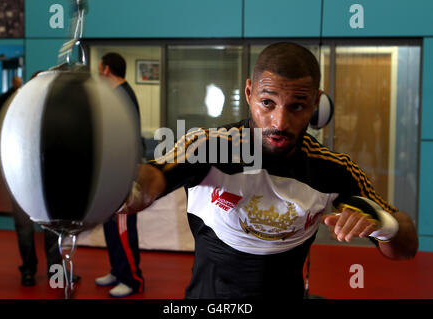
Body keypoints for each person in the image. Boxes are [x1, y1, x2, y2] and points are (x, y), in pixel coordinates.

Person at [121, 42, 418, 299]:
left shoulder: (333, 170)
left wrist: (383, 224)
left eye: (297, 106)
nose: (279, 122)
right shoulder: (209, 147)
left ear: (315, 103)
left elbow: (406, 247)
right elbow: (150, 182)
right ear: (249, 93)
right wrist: (118, 185)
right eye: (267, 103)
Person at [10, 71, 80, 287]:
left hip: (47, 181)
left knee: (52, 229)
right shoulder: (18, 111)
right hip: (21, 179)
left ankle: (54, 272)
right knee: (25, 229)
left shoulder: (54, 112)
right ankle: (28, 270)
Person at [95, 52, 144, 298]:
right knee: (111, 226)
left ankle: (132, 279)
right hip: (110, 174)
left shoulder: (123, 96)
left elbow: (129, 140)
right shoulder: (114, 96)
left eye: (99, 68)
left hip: (122, 175)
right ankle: (117, 270)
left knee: (123, 225)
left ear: (106, 70)